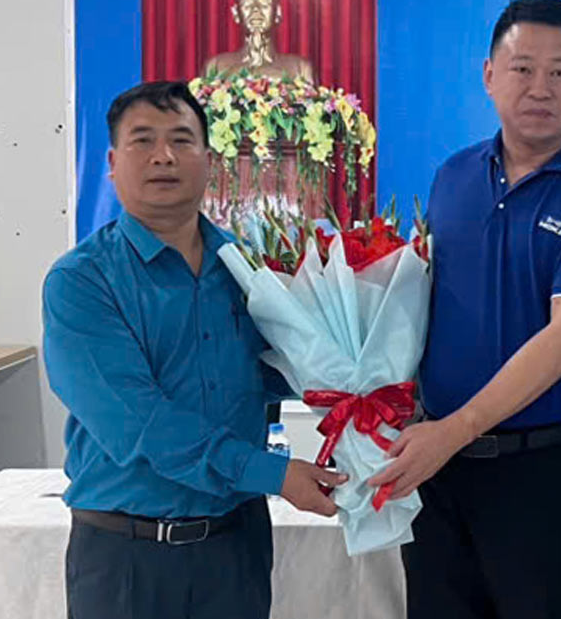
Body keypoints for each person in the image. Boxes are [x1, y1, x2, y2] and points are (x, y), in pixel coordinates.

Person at [369, 0, 561, 619]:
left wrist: (452, 430)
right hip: (439, 475)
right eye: (522, 68)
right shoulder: (453, 177)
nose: (540, 87)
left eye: (560, 71)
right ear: (489, 75)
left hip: (544, 478)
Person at [42, 80, 345, 619]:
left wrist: (369, 396)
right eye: (143, 141)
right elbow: (138, 425)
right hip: (126, 558)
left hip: (236, 549)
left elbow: (288, 370)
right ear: (111, 162)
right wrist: (275, 473)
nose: (163, 156)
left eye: (181, 141)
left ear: (208, 162)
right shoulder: (82, 281)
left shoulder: (248, 270)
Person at [200, 0, 315, 82]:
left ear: (278, 12)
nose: (255, 9)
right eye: (247, 2)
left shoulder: (300, 69)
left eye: (264, 1)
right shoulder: (215, 66)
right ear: (236, 13)